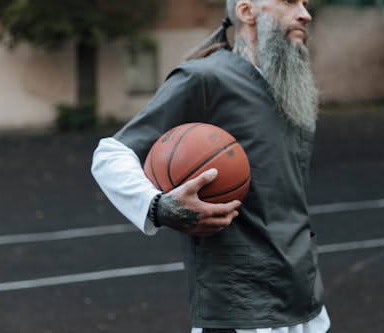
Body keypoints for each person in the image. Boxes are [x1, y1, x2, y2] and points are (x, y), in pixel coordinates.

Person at [91, 0, 331, 332]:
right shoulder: (205, 79)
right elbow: (110, 155)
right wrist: (160, 206)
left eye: (305, 3)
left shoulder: (292, 89)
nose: (305, 13)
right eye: (289, 2)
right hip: (239, 309)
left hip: (304, 299)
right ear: (247, 12)